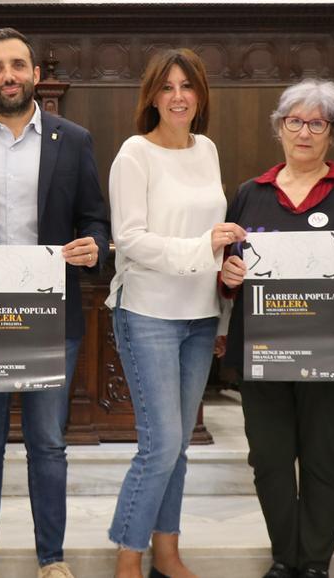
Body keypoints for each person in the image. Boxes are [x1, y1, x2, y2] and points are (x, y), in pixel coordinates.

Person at [0, 27, 110, 578]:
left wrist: (93, 246)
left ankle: (51, 559)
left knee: (48, 444)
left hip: (52, 317)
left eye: (18, 65)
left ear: (34, 73)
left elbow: (95, 220)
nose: (9, 75)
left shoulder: (72, 139)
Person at [219, 79, 334, 578]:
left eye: (316, 123)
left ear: (332, 133)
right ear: (279, 127)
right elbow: (229, 273)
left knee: (323, 462)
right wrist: (229, 276)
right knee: (270, 461)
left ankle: (315, 563)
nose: (303, 132)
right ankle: (285, 557)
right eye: (294, 121)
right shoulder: (248, 195)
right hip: (265, 356)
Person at [105, 48, 242, 578]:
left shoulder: (206, 150)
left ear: (200, 94)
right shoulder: (134, 154)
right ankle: (128, 556)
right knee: (160, 444)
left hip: (200, 314)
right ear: (152, 96)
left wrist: (223, 308)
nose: (178, 96)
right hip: (147, 312)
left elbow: (219, 242)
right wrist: (201, 247)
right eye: (168, 87)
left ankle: (167, 551)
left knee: (178, 445)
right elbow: (131, 241)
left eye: (187, 86)